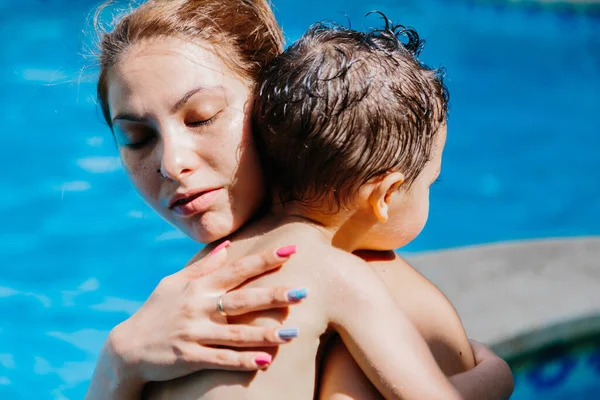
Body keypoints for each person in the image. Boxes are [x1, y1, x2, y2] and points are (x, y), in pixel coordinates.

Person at [86, 1, 514, 399]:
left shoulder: (201, 275)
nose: (172, 163)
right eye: (137, 138)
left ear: (269, 103)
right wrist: (120, 360)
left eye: (203, 117)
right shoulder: (335, 274)